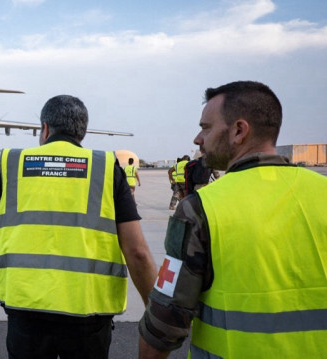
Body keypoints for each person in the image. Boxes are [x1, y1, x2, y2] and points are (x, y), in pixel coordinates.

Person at [138, 81, 327, 358]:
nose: (197, 139)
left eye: (206, 127)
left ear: (239, 131)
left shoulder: (200, 208)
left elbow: (165, 325)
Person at [0, 95, 158, 359]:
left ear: (44, 129)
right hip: (87, 310)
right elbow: (137, 251)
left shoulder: (14, 164)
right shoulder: (104, 168)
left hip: (26, 308)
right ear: (81, 132)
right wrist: (156, 310)